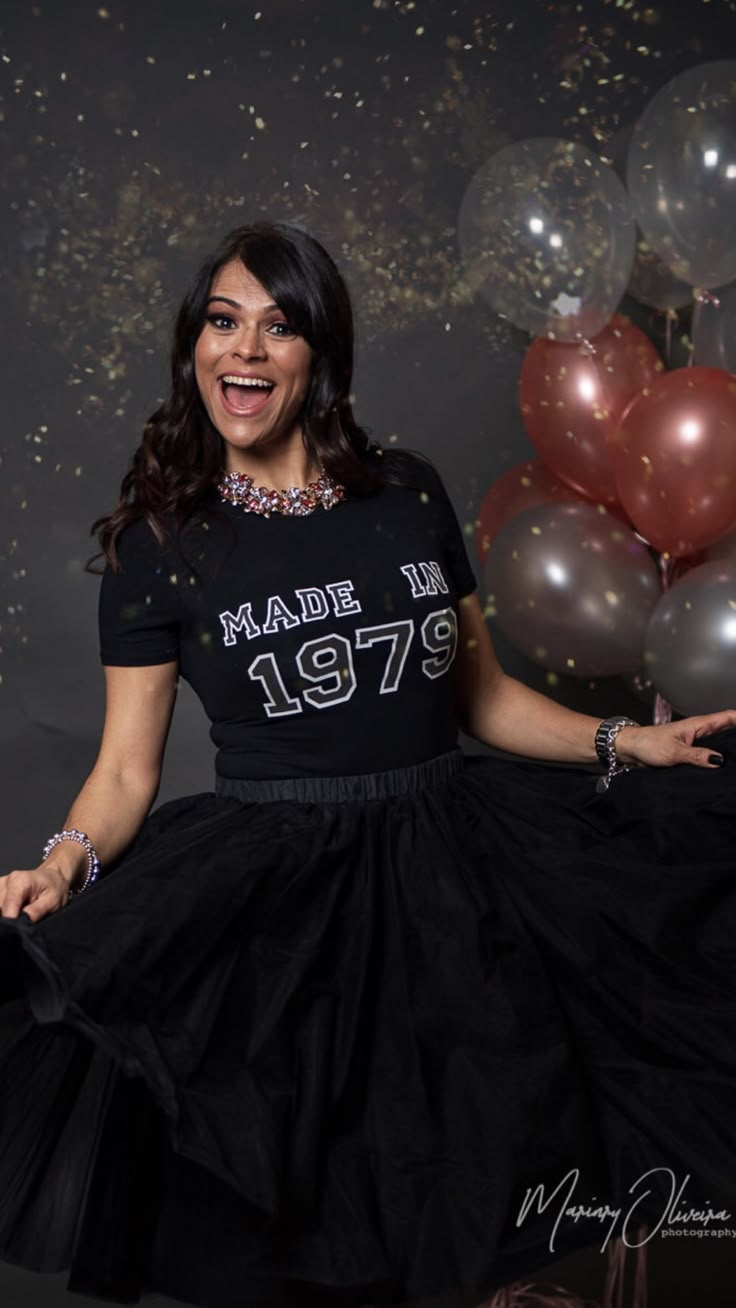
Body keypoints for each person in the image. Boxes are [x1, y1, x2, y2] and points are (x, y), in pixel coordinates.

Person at [0, 220, 735, 1308]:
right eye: (221, 321)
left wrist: (625, 738)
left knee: (486, 1200)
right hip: (287, 922)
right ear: (193, 345)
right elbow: (122, 774)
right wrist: (62, 868)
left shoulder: (406, 493)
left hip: (458, 880)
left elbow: (477, 696)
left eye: (277, 326)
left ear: (319, 355)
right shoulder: (159, 546)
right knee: (331, 1235)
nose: (243, 352)